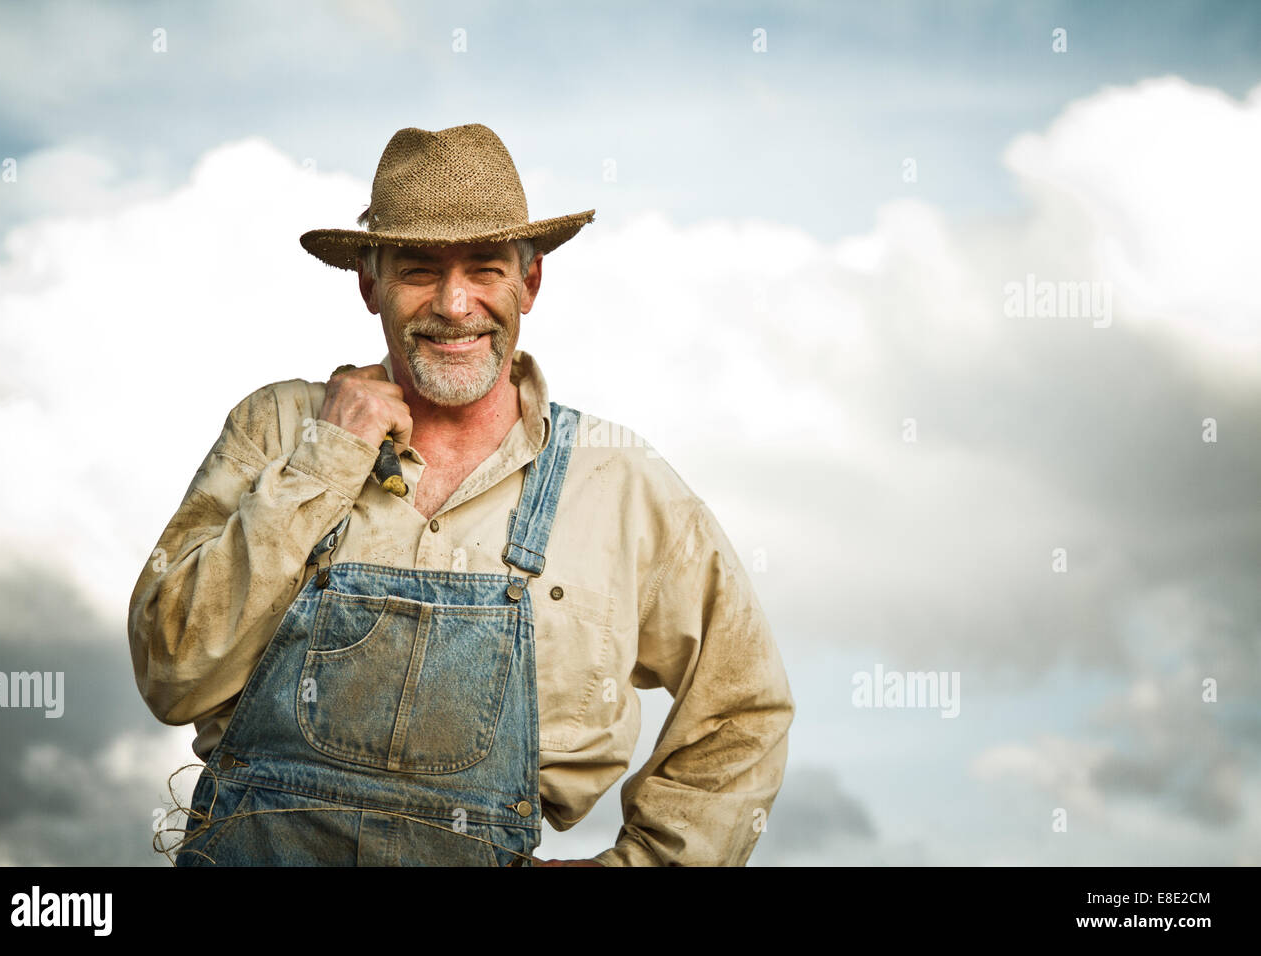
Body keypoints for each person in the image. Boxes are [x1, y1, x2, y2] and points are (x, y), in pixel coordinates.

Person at [127, 123, 794, 866]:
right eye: (418, 269)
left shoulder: (617, 483)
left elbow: (744, 710)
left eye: (484, 268)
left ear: (529, 285)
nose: (454, 303)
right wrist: (327, 460)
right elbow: (170, 672)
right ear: (369, 283)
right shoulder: (281, 429)